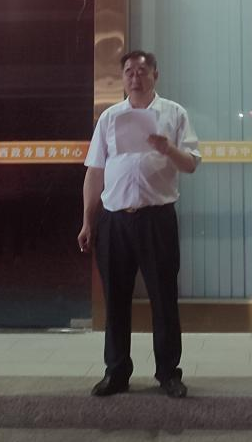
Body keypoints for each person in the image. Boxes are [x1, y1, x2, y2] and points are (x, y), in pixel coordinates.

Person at [78, 50, 200, 398]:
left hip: (156, 219)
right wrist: (88, 220)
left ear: (155, 75)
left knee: (164, 298)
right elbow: (95, 171)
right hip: (115, 220)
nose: (135, 77)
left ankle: (168, 374)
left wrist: (167, 149)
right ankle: (116, 372)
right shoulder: (110, 117)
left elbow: (191, 164)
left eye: (142, 71)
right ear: (123, 78)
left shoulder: (174, 113)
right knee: (115, 301)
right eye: (129, 72)